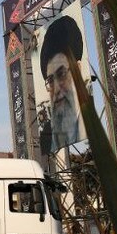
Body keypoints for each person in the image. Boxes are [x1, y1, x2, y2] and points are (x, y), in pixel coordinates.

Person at [39, 14, 85, 153]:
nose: (57, 89)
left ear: (78, 69)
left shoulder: (92, 123)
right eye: (50, 80)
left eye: (62, 74)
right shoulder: (48, 137)